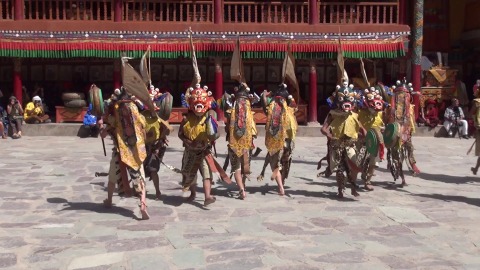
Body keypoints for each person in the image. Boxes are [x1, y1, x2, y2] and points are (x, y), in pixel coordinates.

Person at [101, 87, 150, 220]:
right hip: (137, 150)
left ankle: (109, 200)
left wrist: (103, 129)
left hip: (120, 151)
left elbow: (105, 131)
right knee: (140, 178)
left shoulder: (115, 114)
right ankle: (143, 205)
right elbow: (144, 132)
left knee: (112, 177)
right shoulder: (137, 114)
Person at [321, 81, 365, 198]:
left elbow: (360, 127)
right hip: (337, 145)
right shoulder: (333, 114)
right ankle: (341, 189)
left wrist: (365, 133)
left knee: (354, 166)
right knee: (339, 170)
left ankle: (353, 187)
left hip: (350, 145)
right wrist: (329, 135)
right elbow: (323, 129)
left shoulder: (354, 115)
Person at [259, 83, 298, 196]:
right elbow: (295, 106)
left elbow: (264, 103)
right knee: (285, 163)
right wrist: (291, 98)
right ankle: (282, 184)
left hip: (276, 142)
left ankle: (281, 186)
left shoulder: (271, 108)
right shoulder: (290, 110)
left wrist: (265, 96)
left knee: (276, 164)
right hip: (288, 143)